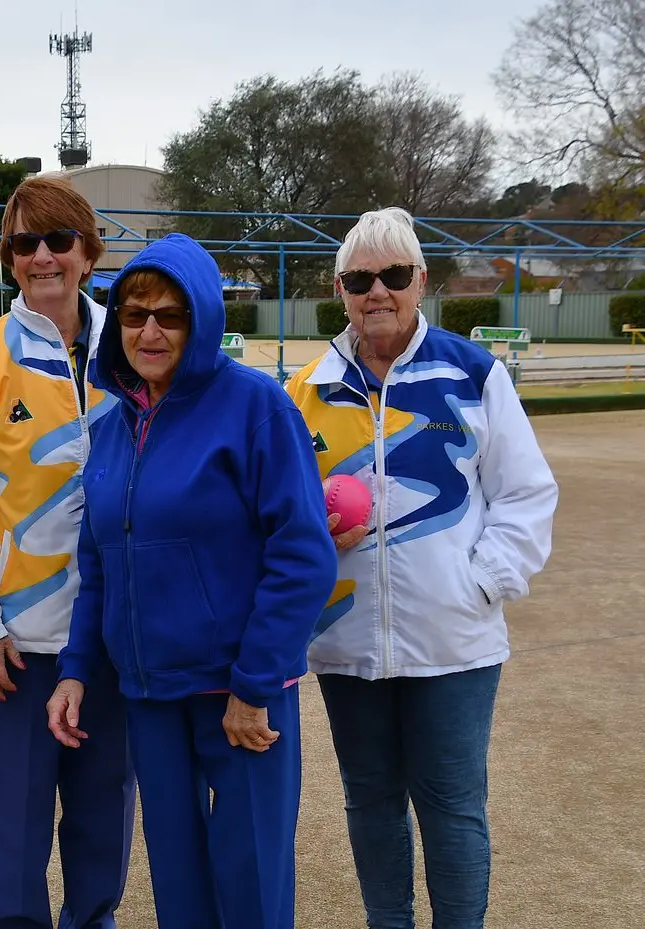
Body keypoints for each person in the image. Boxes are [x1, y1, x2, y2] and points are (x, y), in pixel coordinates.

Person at [42, 234, 337, 929]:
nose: (148, 330)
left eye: (169, 315)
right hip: (150, 695)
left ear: (202, 318)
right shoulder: (113, 429)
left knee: (250, 884)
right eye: (133, 312)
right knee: (178, 886)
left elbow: (302, 552)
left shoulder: (255, 406)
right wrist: (76, 668)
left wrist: (253, 685)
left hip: (238, 695)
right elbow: (99, 566)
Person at [285, 207, 559, 929]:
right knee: (369, 798)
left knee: (451, 803)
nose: (377, 291)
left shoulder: (472, 374)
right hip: (345, 644)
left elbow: (525, 494)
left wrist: (478, 584)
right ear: (338, 289)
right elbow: (278, 513)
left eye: (393, 276)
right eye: (358, 278)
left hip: (454, 643)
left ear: (421, 282)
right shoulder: (304, 389)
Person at [0, 173, 135, 929]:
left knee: (101, 824)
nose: (42, 256)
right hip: (17, 646)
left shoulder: (135, 345)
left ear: (88, 250)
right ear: (8, 259)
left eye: (57, 239)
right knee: (8, 837)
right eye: (24, 243)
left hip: (112, 637)